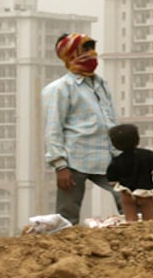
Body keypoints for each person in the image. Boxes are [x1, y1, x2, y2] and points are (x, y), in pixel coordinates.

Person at [43, 33, 122, 225]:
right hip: (75, 158)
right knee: (66, 216)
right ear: (70, 54)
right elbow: (53, 128)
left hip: (107, 157)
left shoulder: (100, 84)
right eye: (85, 49)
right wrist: (60, 165)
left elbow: (110, 119)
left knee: (129, 199)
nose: (91, 53)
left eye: (92, 48)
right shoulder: (60, 88)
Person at [106, 124, 153, 222]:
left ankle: (133, 235)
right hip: (145, 194)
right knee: (149, 219)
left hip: (127, 195)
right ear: (138, 139)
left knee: (130, 220)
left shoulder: (116, 160)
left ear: (115, 144)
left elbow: (112, 181)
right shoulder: (149, 155)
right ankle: (147, 235)